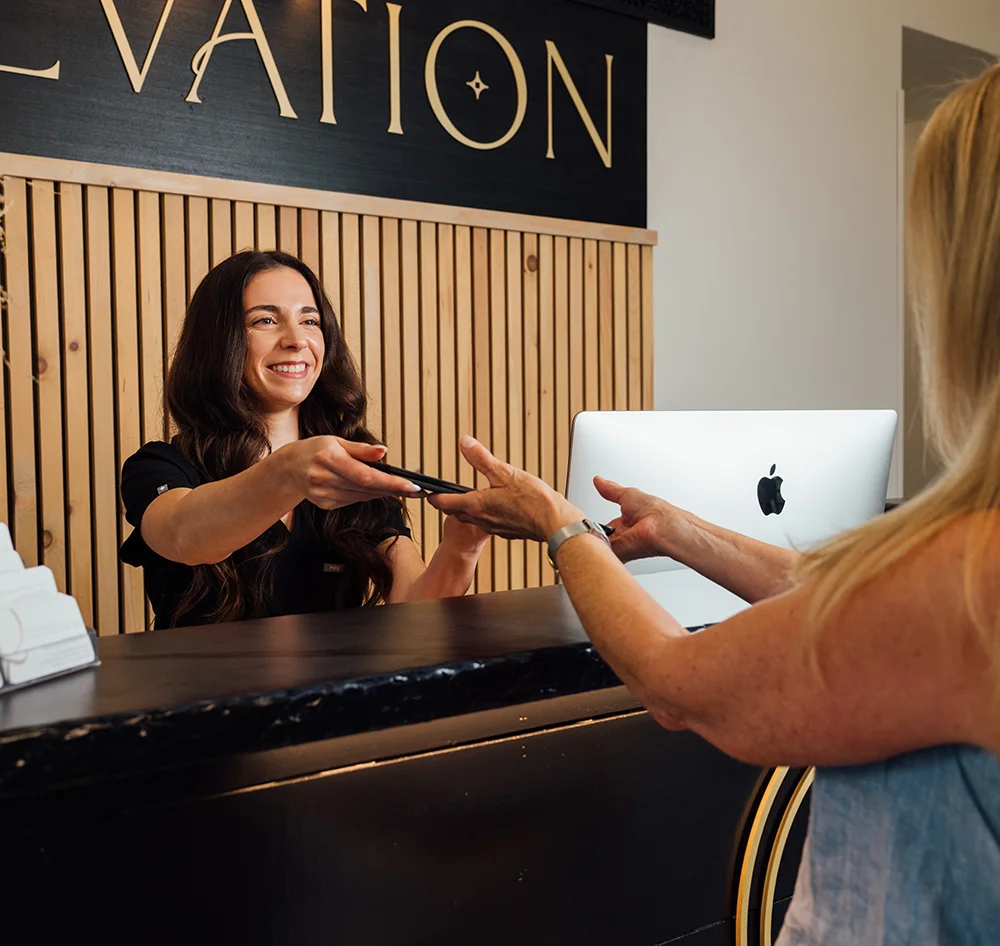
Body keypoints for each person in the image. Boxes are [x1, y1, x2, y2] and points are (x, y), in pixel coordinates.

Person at [429, 66, 1000, 944]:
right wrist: (686, 535)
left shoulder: (971, 579)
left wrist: (560, 524)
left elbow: (676, 684)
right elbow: (860, 610)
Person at [119, 250, 486, 629]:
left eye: (310, 320)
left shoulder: (353, 471)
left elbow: (412, 606)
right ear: (219, 342)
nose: (296, 339)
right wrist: (290, 471)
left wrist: (464, 543)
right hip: (201, 689)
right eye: (265, 320)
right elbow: (185, 536)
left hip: (333, 688)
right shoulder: (160, 466)